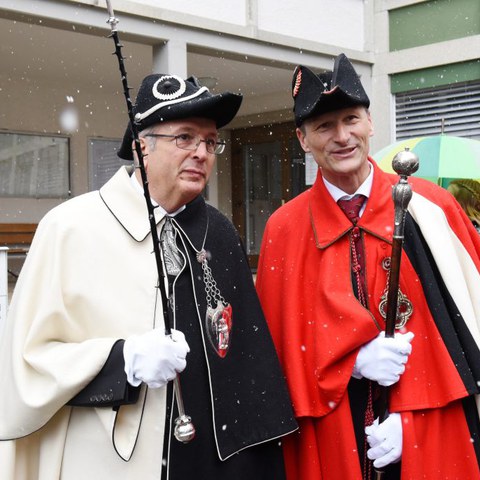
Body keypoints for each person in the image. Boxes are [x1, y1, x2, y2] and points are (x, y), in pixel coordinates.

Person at [0, 73, 297, 479]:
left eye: (210, 141)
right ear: (142, 147)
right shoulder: (69, 229)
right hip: (110, 461)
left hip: (212, 461)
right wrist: (124, 360)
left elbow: (248, 365)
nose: (202, 153)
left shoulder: (220, 231)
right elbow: (27, 363)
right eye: (185, 138)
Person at [256, 53, 480, 479]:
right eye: (324, 126)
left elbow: (468, 335)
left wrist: (414, 422)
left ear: (370, 123)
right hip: (332, 440)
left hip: (433, 436)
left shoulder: (432, 208)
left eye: (351, 119)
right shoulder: (283, 230)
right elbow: (276, 357)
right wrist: (350, 363)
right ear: (303, 140)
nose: (342, 136)